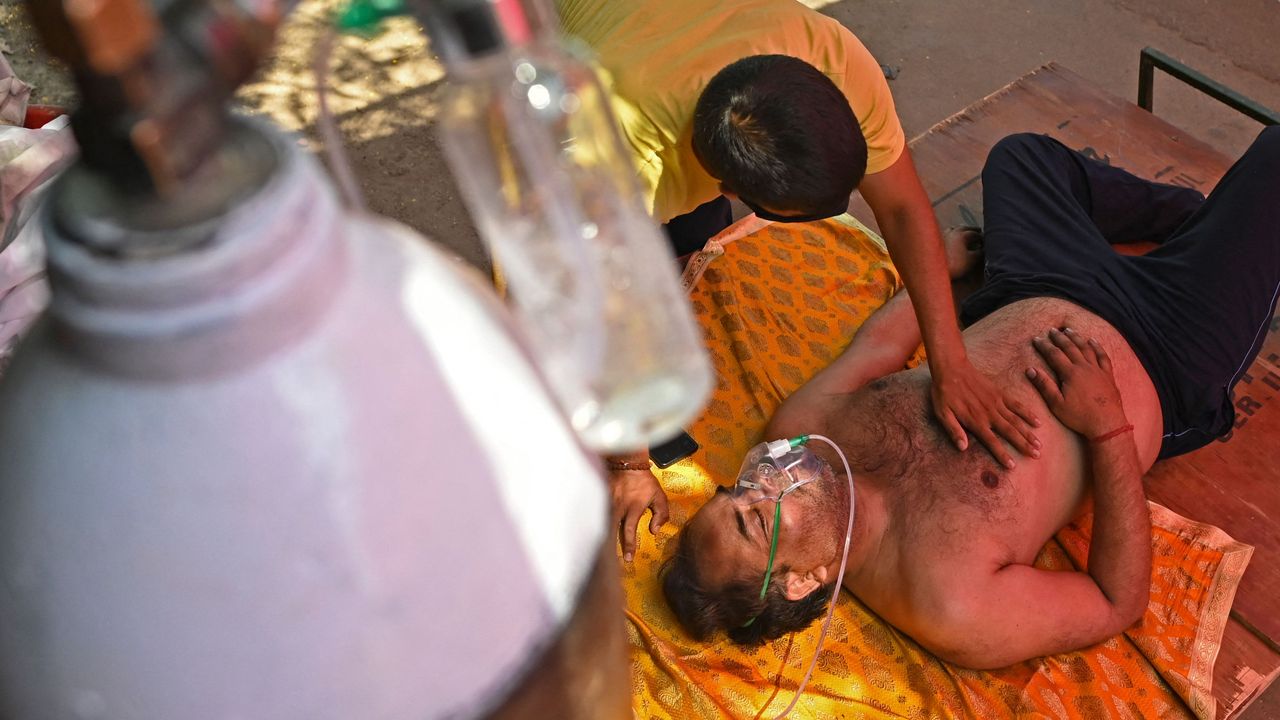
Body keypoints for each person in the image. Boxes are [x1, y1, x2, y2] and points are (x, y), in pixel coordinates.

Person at [660, 128, 1280, 669]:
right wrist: (1108, 426)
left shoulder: (801, 427)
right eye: (754, 516)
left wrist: (945, 267)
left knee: (1021, 159)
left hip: (1035, 286)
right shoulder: (950, 603)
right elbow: (1115, 602)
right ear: (800, 583)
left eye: (736, 490)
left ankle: (1191, 222)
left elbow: (877, 350)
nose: (760, 480)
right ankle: (1215, 239)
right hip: (1165, 353)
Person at [556, 0, 1040, 552]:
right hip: (613, 64)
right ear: (729, 190)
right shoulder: (607, 165)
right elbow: (591, 308)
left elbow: (903, 210)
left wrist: (951, 360)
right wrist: (626, 460)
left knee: (686, 257)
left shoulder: (834, 60)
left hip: (670, 52)